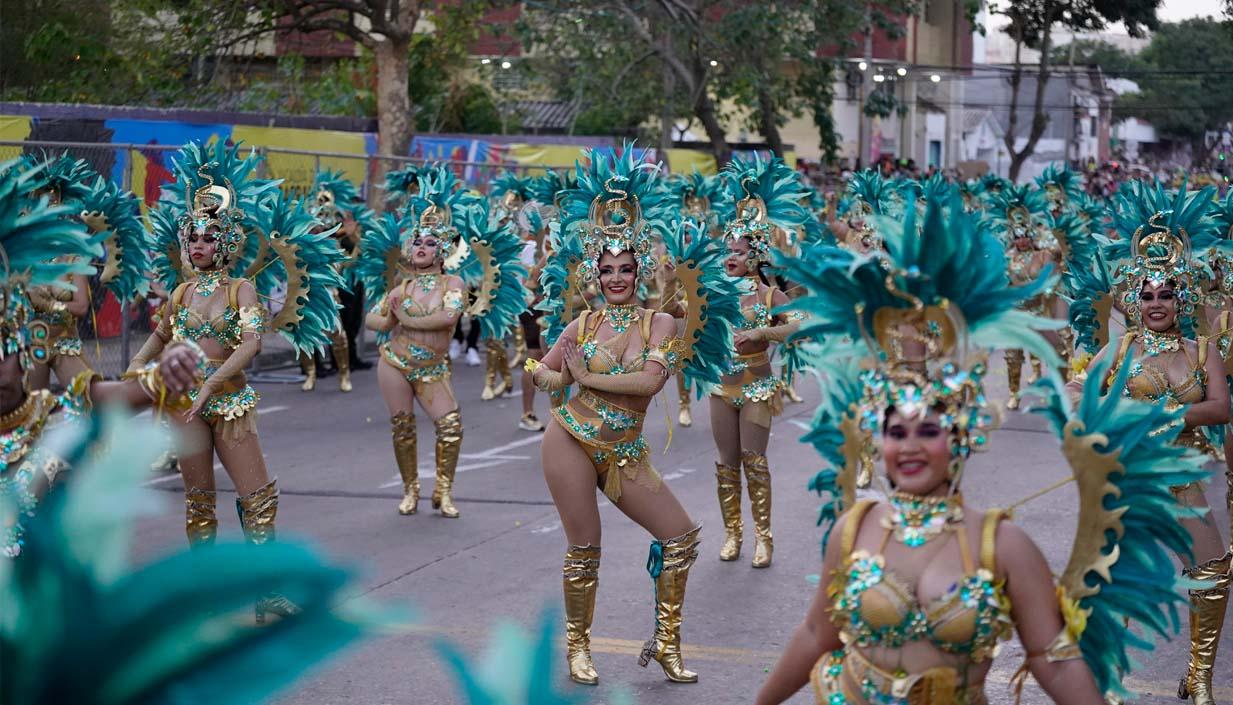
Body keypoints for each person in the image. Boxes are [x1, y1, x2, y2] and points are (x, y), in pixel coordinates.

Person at [759, 189, 1210, 705]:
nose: (908, 446)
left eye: (927, 431)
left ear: (959, 438)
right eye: (895, 431)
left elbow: (1052, 660)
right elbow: (815, 637)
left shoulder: (1004, 545)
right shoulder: (854, 528)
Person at [526, 146, 739, 686]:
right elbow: (550, 374)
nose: (616, 277)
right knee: (585, 548)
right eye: (607, 269)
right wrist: (541, 372)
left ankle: (666, 643)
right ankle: (578, 648)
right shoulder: (581, 326)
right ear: (594, 274)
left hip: (623, 450)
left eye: (626, 268)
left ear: (640, 270)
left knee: (681, 537)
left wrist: (584, 376)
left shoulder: (659, 323)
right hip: (570, 440)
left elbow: (649, 381)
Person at [132, 142, 346, 623]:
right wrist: (131, 374)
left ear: (225, 243)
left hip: (227, 401)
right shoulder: (182, 291)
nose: (198, 247)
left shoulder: (240, 289)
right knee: (199, 501)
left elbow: (251, 343)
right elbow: (157, 337)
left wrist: (212, 383)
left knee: (258, 499)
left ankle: (265, 592)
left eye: (208, 239)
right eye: (193, 239)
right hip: (181, 404)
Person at [1069, 186, 1230, 705]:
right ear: (1134, 300)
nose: (1156, 303)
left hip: (1183, 473)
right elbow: (1082, 401)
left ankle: (1199, 676)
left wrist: (1164, 414)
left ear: (1181, 298)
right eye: (1147, 294)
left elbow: (1220, 408)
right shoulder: (1117, 350)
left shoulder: (1203, 350)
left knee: (1211, 570)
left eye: (1165, 294)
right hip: (1129, 475)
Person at [1, 156, 203, 557]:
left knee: (55, 417)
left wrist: (157, 378)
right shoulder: (21, 264)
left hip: (60, 345)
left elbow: (80, 312)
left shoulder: (69, 255)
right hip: (38, 343)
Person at [709, 156, 808, 568]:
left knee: (755, 462)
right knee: (726, 465)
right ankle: (733, 534)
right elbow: (677, 313)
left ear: (756, 257)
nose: (730, 256)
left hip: (757, 386)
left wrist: (762, 332)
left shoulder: (770, 297)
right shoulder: (715, 292)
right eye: (727, 249)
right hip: (721, 387)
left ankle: (763, 538)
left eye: (738, 251)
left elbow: (801, 325)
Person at [299, 170, 378, 392]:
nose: (318, 229)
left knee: (339, 336)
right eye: (314, 226)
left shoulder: (333, 247)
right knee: (305, 336)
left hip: (330, 297)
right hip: (307, 296)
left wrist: (355, 239)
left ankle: (344, 375)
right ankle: (311, 374)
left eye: (321, 226)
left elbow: (350, 262)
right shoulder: (302, 246)